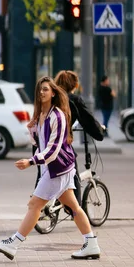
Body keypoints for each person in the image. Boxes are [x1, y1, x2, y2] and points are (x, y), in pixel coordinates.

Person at [0, 76, 101, 261]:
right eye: (40, 89)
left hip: (58, 169)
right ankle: (92, 244)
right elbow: (39, 143)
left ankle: (13, 244)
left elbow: (53, 150)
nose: (42, 92)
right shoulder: (42, 115)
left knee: (34, 205)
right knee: (73, 207)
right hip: (55, 169)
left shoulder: (58, 116)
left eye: (46, 89)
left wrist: (31, 162)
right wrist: (32, 129)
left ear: (54, 92)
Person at [54, 70, 105, 203]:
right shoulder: (73, 100)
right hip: (61, 145)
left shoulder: (52, 97)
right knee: (73, 176)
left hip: (43, 142)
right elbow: (88, 120)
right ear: (74, 86)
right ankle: (75, 211)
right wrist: (100, 131)